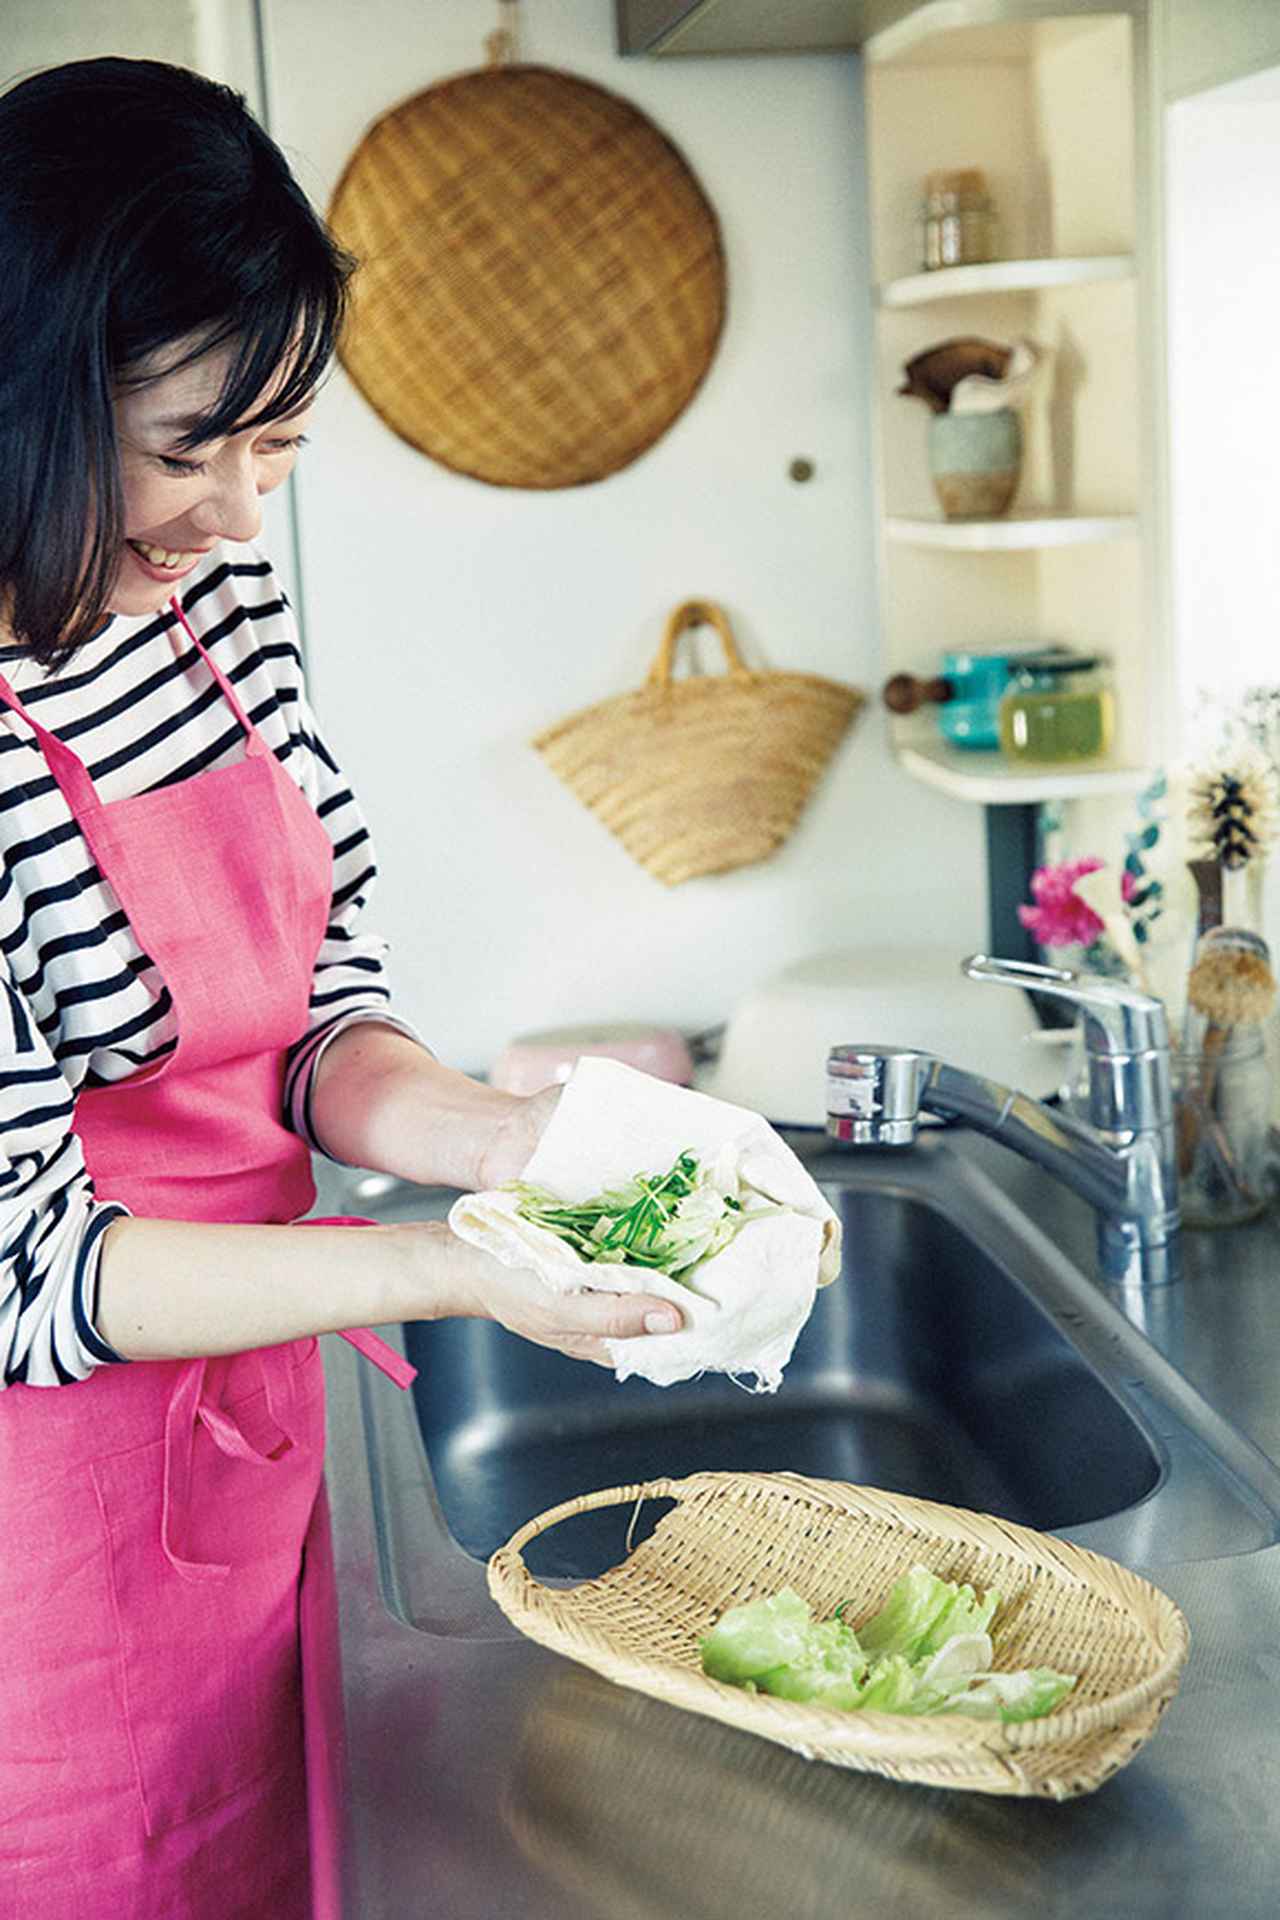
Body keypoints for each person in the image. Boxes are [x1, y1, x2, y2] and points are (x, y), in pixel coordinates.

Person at [0, 57, 683, 1920]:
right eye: (186, 446)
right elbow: (32, 1273)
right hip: (41, 1544)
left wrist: (501, 1137)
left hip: (241, 1440)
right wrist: (447, 1266)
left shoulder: (211, 604)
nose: (233, 517)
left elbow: (319, 1006)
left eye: (279, 448)